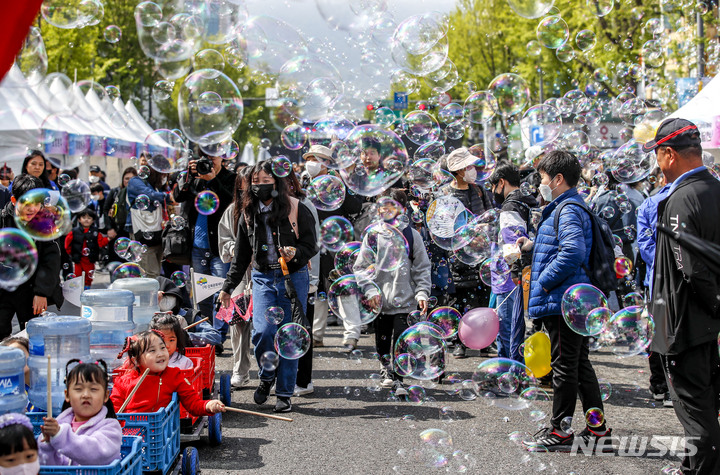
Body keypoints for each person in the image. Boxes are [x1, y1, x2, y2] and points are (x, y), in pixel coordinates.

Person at [521, 150, 610, 452]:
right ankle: (598, 430)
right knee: (577, 363)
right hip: (570, 300)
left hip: (564, 301)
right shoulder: (565, 207)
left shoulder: (568, 209)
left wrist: (543, 282)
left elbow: (572, 251)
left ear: (558, 179)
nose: (540, 184)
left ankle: (561, 429)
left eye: (544, 178)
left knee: (564, 365)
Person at [645, 118, 720, 474]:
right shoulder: (714, 189)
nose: (656, 165)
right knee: (706, 407)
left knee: (697, 419)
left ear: (669, 154)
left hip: (683, 329)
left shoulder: (680, 199)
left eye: (657, 155)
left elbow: (689, 268)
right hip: (704, 327)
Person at [218, 160, 318, 413]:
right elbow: (241, 255)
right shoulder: (248, 213)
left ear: (278, 182)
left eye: (266, 181)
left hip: (292, 278)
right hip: (262, 278)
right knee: (262, 332)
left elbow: (311, 245)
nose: (260, 187)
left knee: (290, 336)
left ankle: (284, 394)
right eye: (255, 182)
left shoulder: (296, 208)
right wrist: (228, 287)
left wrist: (295, 253)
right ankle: (266, 375)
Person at [354, 188, 431, 396]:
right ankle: (385, 368)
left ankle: (399, 379)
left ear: (402, 209)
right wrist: (370, 291)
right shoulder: (372, 235)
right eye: (382, 205)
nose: (385, 209)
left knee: (402, 341)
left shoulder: (411, 235)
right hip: (380, 301)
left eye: (391, 205)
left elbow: (422, 267)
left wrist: (422, 292)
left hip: (405, 300)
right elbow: (361, 268)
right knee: (382, 339)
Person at [303, 145, 363, 349]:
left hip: (337, 245)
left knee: (344, 289)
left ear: (326, 164)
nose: (310, 163)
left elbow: (356, 207)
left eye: (315, 159)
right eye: (308, 158)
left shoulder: (338, 184)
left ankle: (352, 334)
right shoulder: (303, 184)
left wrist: (341, 185)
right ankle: (316, 335)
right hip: (312, 246)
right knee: (316, 290)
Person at [173, 151, 236, 340]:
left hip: (219, 245)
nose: (208, 162)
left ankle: (219, 334)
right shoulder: (195, 178)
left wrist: (213, 179)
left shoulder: (230, 178)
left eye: (213, 157)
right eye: (204, 159)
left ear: (222, 159)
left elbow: (231, 202)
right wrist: (188, 174)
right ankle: (207, 332)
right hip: (198, 245)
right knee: (202, 293)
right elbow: (178, 196)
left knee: (220, 291)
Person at [440, 148, 495, 358]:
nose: (473, 169)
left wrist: (486, 231)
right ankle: (458, 342)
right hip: (457, 257)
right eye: (469, 166)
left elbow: (491, 217)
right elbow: (442, 227)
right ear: (458, 170)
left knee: (482, 298)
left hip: (481, 253)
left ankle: (484, 341)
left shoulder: (479, 190)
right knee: (459, 300)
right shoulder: (445, 194)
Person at [0, 174, 63, 338]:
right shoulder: (2, 220)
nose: (32, 209)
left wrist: (42, 292)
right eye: (27, 203)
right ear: (14, 200)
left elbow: (50, 259)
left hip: (30, 289)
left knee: (33, 336)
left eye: (37, 203)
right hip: (3, 289)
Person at [488, 161, 537, 362]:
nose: (493, 192)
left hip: (509, 277)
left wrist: (513, 272)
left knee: (507, 328)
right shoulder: (530, 201)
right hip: (527, 273)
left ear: (501, 183)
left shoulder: (510, 206)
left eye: (493, 187)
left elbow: (511, 245)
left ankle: (509, 372)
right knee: (517, 326)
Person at [111, 330, 225, 416]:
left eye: (162, 348)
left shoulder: (174, 375)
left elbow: (193, 403)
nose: (160, 354)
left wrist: (208, 405)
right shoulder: (123, 381)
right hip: (130, 433)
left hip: (162, 433)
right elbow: (114, 410)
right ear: (136, 360)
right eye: (152, 350)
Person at [38, 360, 122, 466]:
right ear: (67, 395)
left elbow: (94, 453)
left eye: (93, 389)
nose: (86, 395)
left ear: (105, 396)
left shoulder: (111, 428)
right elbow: (50, 466)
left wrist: (60, 435)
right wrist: (48, 445)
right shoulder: (60, 425)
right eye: (78, 389)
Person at [635, 178, 673, 407]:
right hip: (689, 278)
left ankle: (660, 386)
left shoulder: (651, 202)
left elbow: (645, 243)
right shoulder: (702, 194)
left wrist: (661, 266)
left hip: (656, 280)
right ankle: (673, 387)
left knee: (656, 334)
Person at [284, 169, 321, 396]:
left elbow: (313, 245)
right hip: (277, 277)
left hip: (302, 275)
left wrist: (313, 281)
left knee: (301, 327)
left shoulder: (304, 204)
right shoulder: (267, 205)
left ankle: (304, 380)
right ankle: (284, 379)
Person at [218, 166, 254, 388]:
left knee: (265, 323)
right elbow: (223, 242)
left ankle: (270, 371)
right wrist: (236, 250)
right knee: (237, 322)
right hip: (240, 273)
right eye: (242, 188)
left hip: (264, 272)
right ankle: (239, 369)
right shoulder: (232, 211)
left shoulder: (270, 209)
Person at [125, 161, 169, 278]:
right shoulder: (135, 182)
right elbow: (149, 195)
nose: (165, 178)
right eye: (163, 175)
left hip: (157, 236)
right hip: (142, 237)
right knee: (150, 274)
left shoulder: (155, 187)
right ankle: (148, 296)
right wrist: (169, 197)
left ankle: (153, 295)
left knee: (156, 272)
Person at [64, 208, 109, 288]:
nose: (86, 220)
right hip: (79, 259)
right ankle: (78, 290)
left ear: (93, 220)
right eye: (84, 218)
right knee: (78, 275)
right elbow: (67, 243)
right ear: (79, 219)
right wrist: (70, 253)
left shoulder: (95, 231)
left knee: (89, 276)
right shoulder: (74, 231)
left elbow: (101, 242)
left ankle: (86, 289)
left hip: (90, 259)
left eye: (89, 218)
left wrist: (109, 239)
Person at [104, 167, 137, 263]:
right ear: (123, 179)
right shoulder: (115, 192)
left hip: (132, 232)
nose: (129, 181)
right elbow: (106, 210)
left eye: (132, 178)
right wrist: (109, 228)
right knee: (116, 262)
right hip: (117, 232)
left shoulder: (137, 194)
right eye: (127, 178)